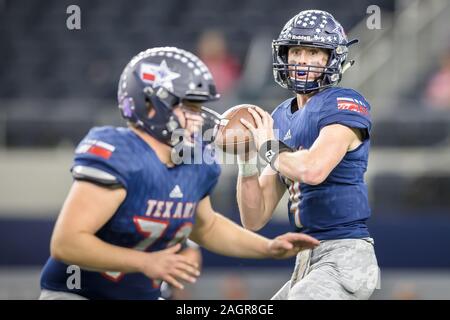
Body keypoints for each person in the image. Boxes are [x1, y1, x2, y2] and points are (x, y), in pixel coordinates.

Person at [39, 47, 319, 300]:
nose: (199, 117)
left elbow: (206, 226)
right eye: (188, 106)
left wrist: (268, 248)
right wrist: (146, 263)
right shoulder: (121, 154)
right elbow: (66, 243)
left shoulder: (194, 160)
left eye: (199, 106)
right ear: (148, 105)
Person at [236, 10, 380, 300]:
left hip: (345, 255)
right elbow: (255, 217)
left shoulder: (344, 102)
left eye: (313, 51)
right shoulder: (281, 116)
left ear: (332, 58)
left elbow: (314, 169)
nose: (302, 59)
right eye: (296, 50)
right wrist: (245, 159)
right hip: (305, 260)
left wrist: (267, 146)